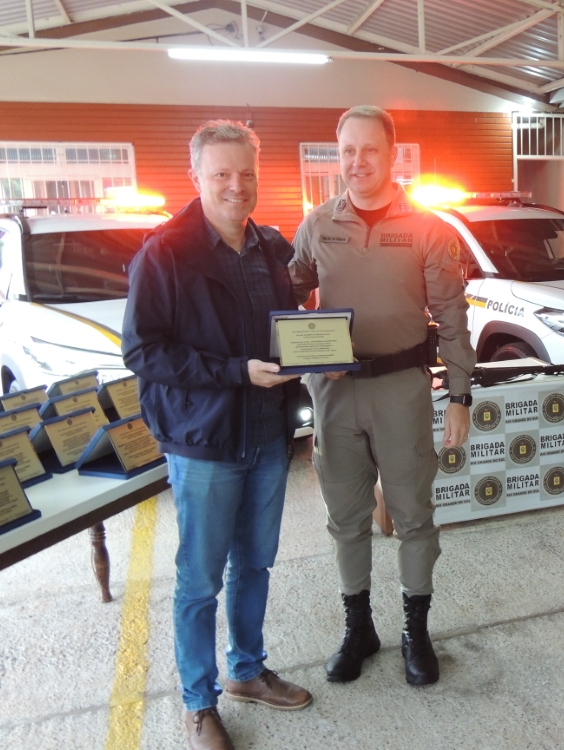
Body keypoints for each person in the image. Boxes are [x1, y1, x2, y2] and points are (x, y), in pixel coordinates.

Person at [122, 120, 312, 750]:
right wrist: (234, 372)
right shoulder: (165, 253)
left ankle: (247, 671)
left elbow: (284, 329)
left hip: (268, 435)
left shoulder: (271, 248)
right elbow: (143, 351)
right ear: (197, 177)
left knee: (254, 563)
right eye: (222, 173)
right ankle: (198, 703)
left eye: (246, 173)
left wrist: (314, 346)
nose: (237, 185)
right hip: (204, 440)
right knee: (200, 580)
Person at [289, 105, 475, 687]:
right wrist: (298, 349)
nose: (357, 161)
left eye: (370, 149)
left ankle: (415, 630)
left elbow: (452, 317)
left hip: (401, 389)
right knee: (346, 517)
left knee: (414, 516)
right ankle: (359, 628)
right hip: (334, 394)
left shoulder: (428, 229)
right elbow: (287, 295)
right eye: (347, 150)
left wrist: (461, 395)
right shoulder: (317, 225)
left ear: (392, 154)